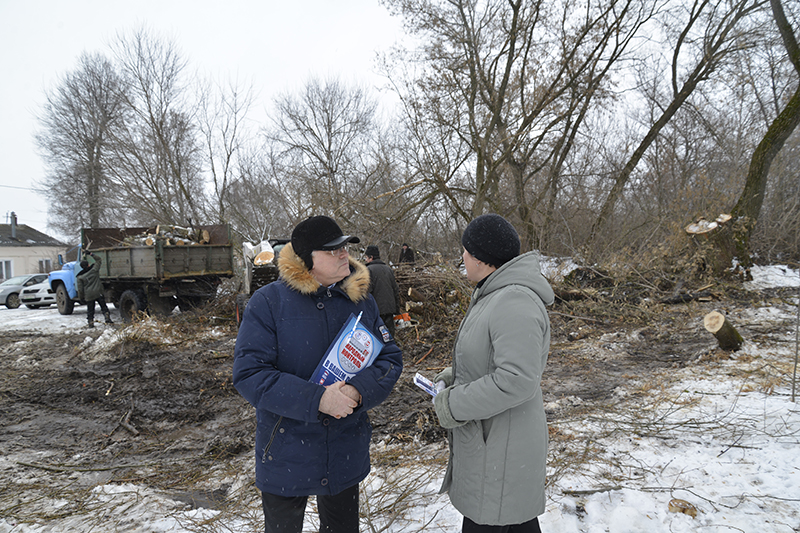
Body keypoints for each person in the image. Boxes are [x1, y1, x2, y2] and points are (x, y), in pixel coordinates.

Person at [233, 215, 403, 533]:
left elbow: (389, 359)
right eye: (333, 250)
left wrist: (356, 391)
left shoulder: (360, 302)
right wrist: (319, 399)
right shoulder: (268, 303)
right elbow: (250, 374)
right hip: (286, 449)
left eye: (345, 248)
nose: (344, 255)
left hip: (343, 450)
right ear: (308, 259)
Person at [432, 214, 554, 533]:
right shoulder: (494, 294)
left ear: (482, 259)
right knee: (514, 521)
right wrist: (451, 376)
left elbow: (516, 379)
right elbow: (488, 360)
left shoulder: (513, 300)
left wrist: (452, 405)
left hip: (501, 449)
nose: (462, 257)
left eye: (466, 251)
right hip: (495, 445)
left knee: (494, 518)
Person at [363, 245, 401, 337]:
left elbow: (367, 292)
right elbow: (396, 290)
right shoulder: (388, 269)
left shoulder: (368, 270)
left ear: (371, 257)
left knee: (376, 337)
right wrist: (397, 309)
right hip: (389, 309)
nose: (365, 260)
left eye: (366, 257)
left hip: (376, 311)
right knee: (390, 336)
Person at [76, 251, 112, 328]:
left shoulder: (80, 277)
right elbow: (99, 260)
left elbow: (80, 289)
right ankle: (107, 318)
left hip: (89, 295)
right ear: (88, 265)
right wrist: (91, 254)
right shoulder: (94, 270)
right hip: (98, 292)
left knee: (90, 309)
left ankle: (90, 322)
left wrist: (81, 297)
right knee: (103, 306)